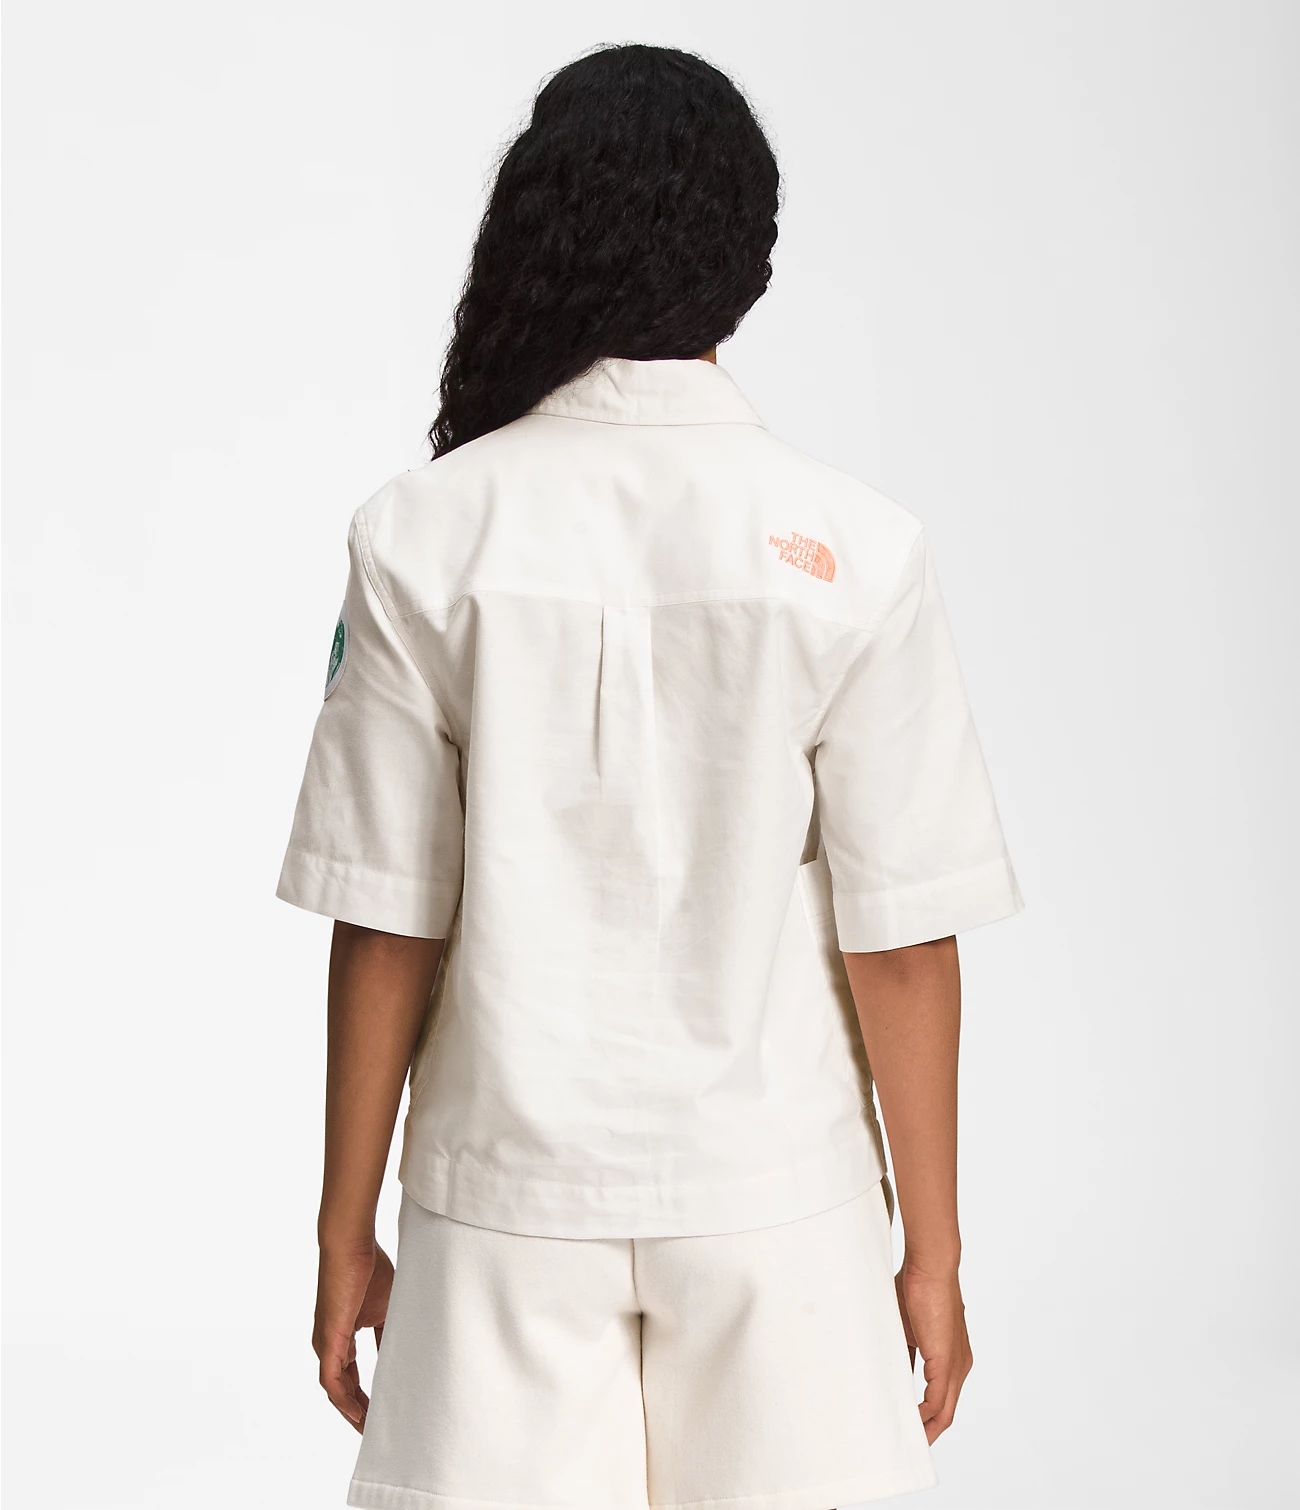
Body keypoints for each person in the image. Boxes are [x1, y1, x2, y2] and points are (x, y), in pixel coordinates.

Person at [276, 42, 1023, 1510]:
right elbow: (904, 940)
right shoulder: (856, 551)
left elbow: (386, 920)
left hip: (502, 1194)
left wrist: (342, 1230)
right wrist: (932, 1255)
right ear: (749, 261)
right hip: (776, 1191)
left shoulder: (422, 534)